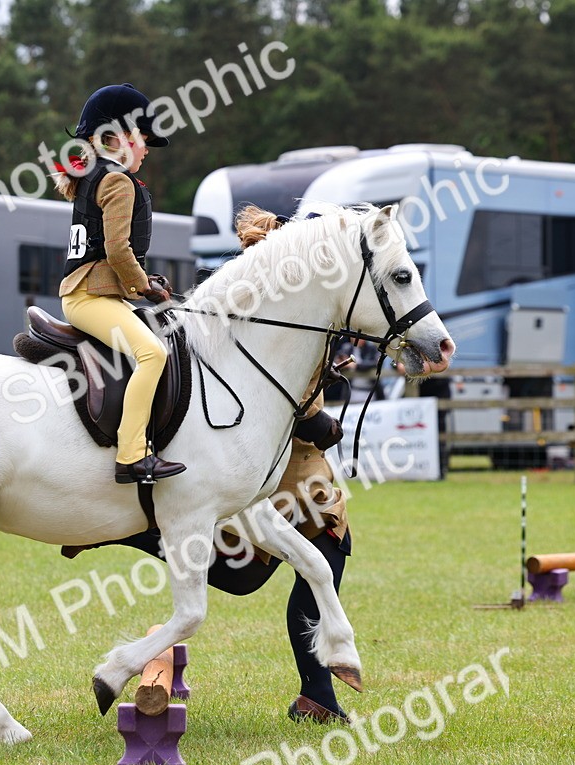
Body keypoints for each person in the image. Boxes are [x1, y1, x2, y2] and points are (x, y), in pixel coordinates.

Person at [64, 206, 355, 724]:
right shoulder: (280, 307)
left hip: (283, 458)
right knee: (280, 564)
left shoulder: (297, 307)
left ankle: (317, 692)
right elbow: (295, 406)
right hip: (277, 460)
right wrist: (324, 419)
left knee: (285, 564)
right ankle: (124, 524)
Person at [51, 83, 183, 484]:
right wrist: (146, 287)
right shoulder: (117, 181)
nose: (145, 150)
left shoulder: (93, 176)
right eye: (143, 140)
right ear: (122, 137)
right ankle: (131, 454)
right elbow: (118, 252)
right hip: (89, 297)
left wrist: (140, 283)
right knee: (153, 354)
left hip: (91, 293)